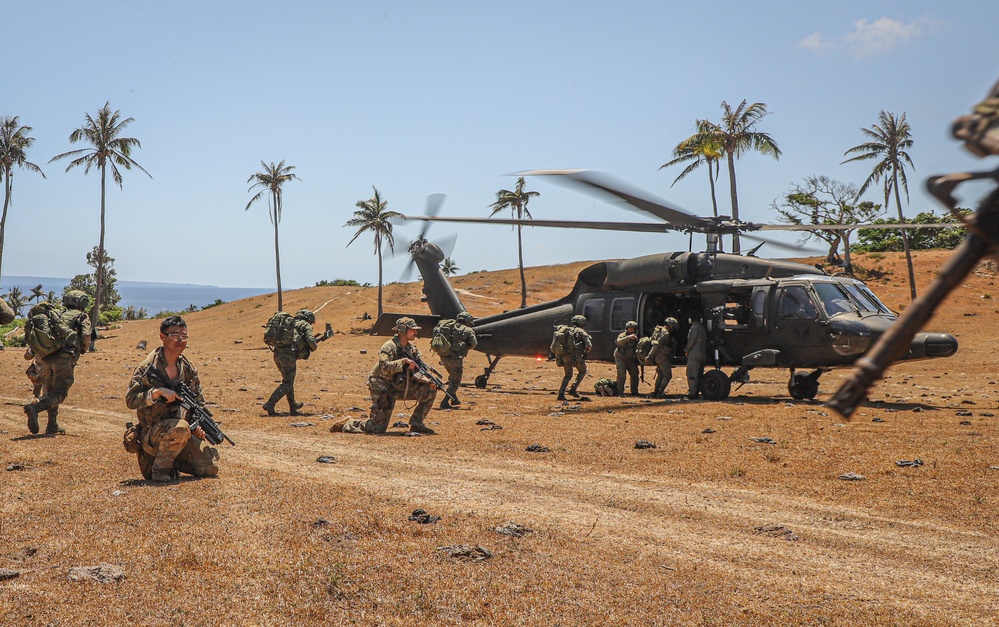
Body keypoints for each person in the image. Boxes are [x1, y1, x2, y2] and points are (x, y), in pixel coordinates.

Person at [125, 316, 219, 482]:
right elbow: (131, 400)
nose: (180, 340)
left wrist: (198, 427)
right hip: (152, 435)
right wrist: (156, 392)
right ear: (162, 337)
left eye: (184, 336)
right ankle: (159, 469)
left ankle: (172, 461)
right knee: (181, 427)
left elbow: (199, 404)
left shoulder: (188, 369)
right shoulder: (147, 367)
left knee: (210, 468)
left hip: (181, 434)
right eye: (175, 335)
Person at [331, 317, 438, 435]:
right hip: (382, 386)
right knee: (377, 429)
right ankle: (349, 424)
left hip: (399, 385)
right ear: (402, 330)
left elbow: (415, 371)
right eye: (413, 330)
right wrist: (402, 362)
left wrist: (426, 380)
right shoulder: (389, 346)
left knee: (430, 388)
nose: (416, 333)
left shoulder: (411, 349)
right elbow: (384, 367)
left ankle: (417, 424)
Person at [23, 290, 91, 435]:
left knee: (50, 391)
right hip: (64, 358)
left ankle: (52, 425)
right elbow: (86, 335)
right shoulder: (82, 316)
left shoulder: (58, 314)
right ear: (83, 303)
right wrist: (83, 348)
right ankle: (36, 407)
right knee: (59, 393)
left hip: (48, 357)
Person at [263, 309, 319, 416]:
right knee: (288, 383)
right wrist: (314, 347)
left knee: (288, 381)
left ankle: (293, 406)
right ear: (308, 318)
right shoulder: (305, 325)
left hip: (277, 353)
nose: (311, 324)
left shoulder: (290, 323)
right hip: (288, 356)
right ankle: (270, 404)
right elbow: (311, 341)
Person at [431, 311, 478, 409]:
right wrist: (464, 347)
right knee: (455, 381)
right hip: (456, 358)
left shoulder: (447, 327)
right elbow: (473, 343)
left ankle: (454, 399)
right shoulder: (467, 330)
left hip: (443, 356)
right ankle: (444, 402)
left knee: (452, 377)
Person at [551, 314, 592, 401]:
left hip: (564, 356)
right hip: (575, 357)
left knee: (568, 375)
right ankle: (573, 389)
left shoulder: (567, 330)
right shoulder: (581, 332)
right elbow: (589, 345)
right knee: (583, 371)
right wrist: (585, 352)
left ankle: (561, 393)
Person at [648, 317, 678, 398]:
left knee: (661, 375)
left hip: (658, 357)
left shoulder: (658, 330)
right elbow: (656, 345)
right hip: (662, 357)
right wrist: (650, 356)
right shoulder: (665, 334)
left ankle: (656, 392)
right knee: (668, 375)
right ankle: (659, 393)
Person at [614, 320, 641, 397]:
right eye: (630, 328)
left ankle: (634, 391)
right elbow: (619, 342)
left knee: (635, 374)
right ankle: (620, 392)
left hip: (630, 359)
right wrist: (628, 338)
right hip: (620, 357)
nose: (631, 330)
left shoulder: (636, 337)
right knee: (622, 375)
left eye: (633, 328)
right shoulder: (622, 335)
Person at [685, 311, 708, 400]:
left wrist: (687, 350)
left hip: (694, 353)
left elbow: (691, 341)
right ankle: (697, 391)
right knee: (699, 374)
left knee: (692, 374)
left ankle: (692, 393)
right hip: (702, 353)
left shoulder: (694, 328)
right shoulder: (702, 328)